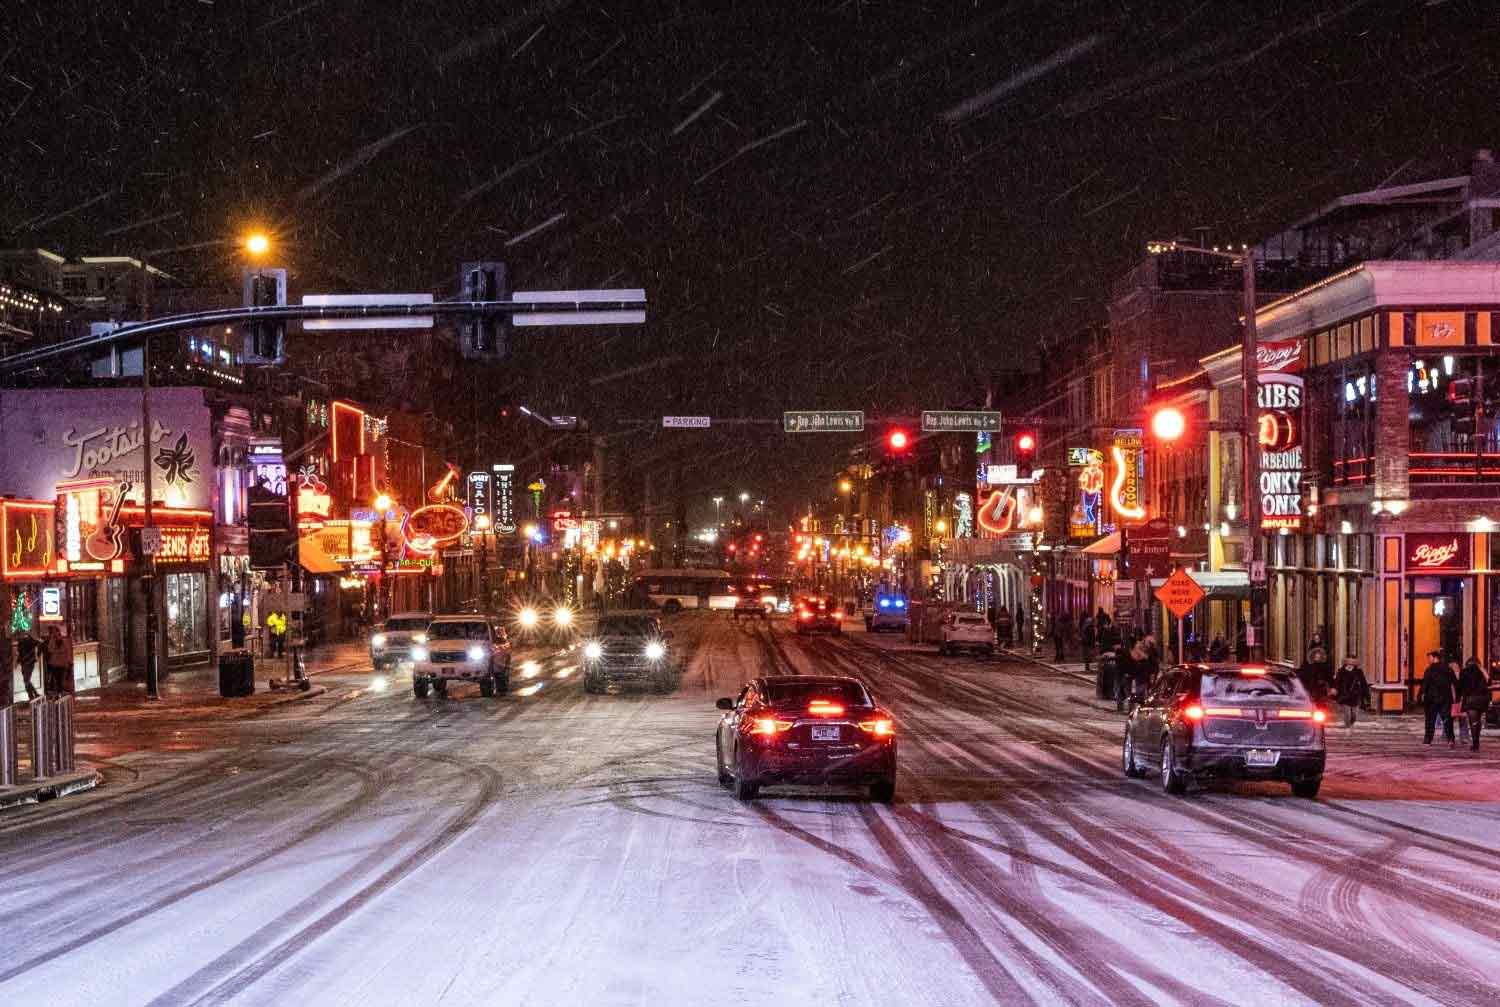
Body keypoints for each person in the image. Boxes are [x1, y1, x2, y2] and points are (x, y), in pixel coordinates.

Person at [1420, 650, 1458, 747]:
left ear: (1435, 657)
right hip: (1445, 698)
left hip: (1432, 699)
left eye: (1429, 658)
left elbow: (1425, 684)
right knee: (1447, 720)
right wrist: (1456, 697)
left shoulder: (1429, 670)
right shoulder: (1448, 669)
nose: (1428, 660)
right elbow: (1455, 683)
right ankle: (1450, 739)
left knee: (1430, 720)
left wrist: (1421, 695)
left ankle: (1428, 740)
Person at [1458, 658, 1490, 752]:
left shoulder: (1464, 672)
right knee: (1478, 721)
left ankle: (1475, 744)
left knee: (1473, 722)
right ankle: (1477, 741)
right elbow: (1489, 682)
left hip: (1470, 699)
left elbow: (1460, 686)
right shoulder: (1481, 670)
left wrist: (1459, 698)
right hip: (1482, 699)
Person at [1333, 654, 1368, 729]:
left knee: (1354, 714)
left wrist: (1365, 694)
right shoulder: (1341, 671)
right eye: (1349, 661)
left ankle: (1351, 723)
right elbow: (1337, 682)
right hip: (1344, 695)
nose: (1350, 664)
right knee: (1347, 713)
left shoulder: (1358, 672)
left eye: (1352, 662)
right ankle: (1347, 726)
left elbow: (1363, 682)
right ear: (1346, 662)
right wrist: (1335, 689)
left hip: (1355, 696)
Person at [43, 625, 74, 696]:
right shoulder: (52, 641)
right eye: (53, 633)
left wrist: (69, 662)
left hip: (62, 664)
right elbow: (50, 650)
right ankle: (58, 693)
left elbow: (67, 652)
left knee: (60, 680)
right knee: (57, 680)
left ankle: (60, 693)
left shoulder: (64, 641)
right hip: (55, 664)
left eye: (55, 632)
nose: (55, 634)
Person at [15, 627, 41, 702]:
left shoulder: (30, 640)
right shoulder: (22, 642)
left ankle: (32, 695)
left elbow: (39, 644)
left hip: (29, 663)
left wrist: (36, 655)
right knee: (26, 680)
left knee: (26, 680)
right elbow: (20, 653)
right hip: (26, 663)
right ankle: (34, 695)